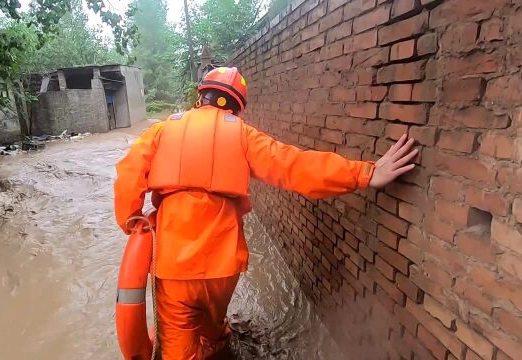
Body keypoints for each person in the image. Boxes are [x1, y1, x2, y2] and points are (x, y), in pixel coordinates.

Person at [114, 67, 417, 360]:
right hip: (224, 266)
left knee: (178, 346)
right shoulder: (243, 136)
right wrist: (366, 173)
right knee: (212, 321)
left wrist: (132, 223)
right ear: (238, 106)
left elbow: (129, 176)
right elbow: (296, 167)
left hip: (174, 267)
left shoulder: (162, 131)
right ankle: (218, 340)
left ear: (200, 95)